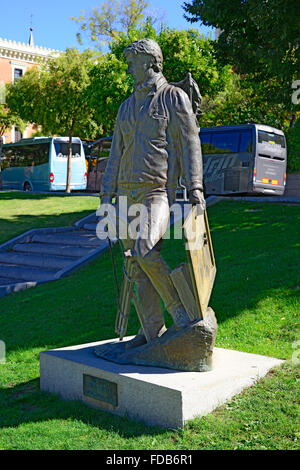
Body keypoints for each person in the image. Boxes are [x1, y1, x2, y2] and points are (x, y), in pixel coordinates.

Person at [100, 38, 205, 348]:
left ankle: (180, 312)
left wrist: (195, 187)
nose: (129, 69)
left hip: (156, 191)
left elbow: (189, 144)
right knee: (134, 265)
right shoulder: (125, 106)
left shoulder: (173, 98)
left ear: (149, 62)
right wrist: (107, 194)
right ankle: (150, 331)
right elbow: (116, 153)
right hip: (125, 194)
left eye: (132, 63)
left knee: (146, 250)